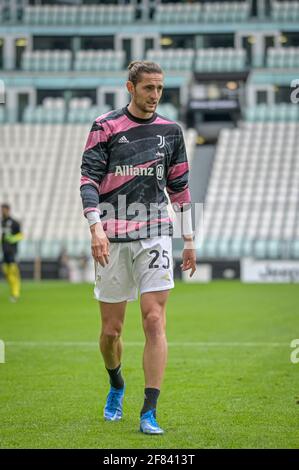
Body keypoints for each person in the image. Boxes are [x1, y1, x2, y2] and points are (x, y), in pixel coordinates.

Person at [80, 61, 196, 435]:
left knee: (153, 320)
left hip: (155, 234)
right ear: (130, 88)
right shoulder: (106, 127)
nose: (155, 95)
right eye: (148, 88)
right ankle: (116, 384)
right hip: (111, 238)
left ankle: (149, 411)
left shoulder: (171, 131)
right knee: (111, 332)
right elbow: (88, 180)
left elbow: (180, 189)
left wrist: (189, 239)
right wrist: (95, 227)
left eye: (160, 88)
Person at [1, 203, 23, 302]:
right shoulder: (1, 222)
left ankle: (15, 294)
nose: (2, 211)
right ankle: (12, 293)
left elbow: (21, 235)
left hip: (12, 252)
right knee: (6, 273)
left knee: (13, 273)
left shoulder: (14, 222)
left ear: (8, 210)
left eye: (4, 209)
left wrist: (12, 238)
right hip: (4, 252)